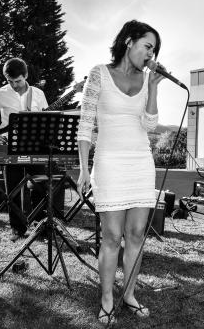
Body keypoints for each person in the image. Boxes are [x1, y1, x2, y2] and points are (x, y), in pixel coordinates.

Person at [76, 20, 165, 325]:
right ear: (130, 41)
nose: (151, 54)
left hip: (140, 161)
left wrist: (152, 89)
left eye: (154, 50)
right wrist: (84, 168)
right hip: (109, 162)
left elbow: (150, 126)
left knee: (137, 234)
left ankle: (128, 293)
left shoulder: (147, 79)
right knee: (113, 236)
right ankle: (106, 298)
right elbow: (85, 123)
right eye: (147, 46)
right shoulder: (100, 73)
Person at [0, 57, 49, 241]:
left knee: (40, 185)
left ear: (26, 75)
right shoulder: (0, 93)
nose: (14, 85)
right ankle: (17, 229)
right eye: (10, 82)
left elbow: (47, 117)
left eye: (17, 81)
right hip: (9, 146)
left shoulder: (38, 94)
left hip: (36, 146)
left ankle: (41, 226)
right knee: (13, 189)